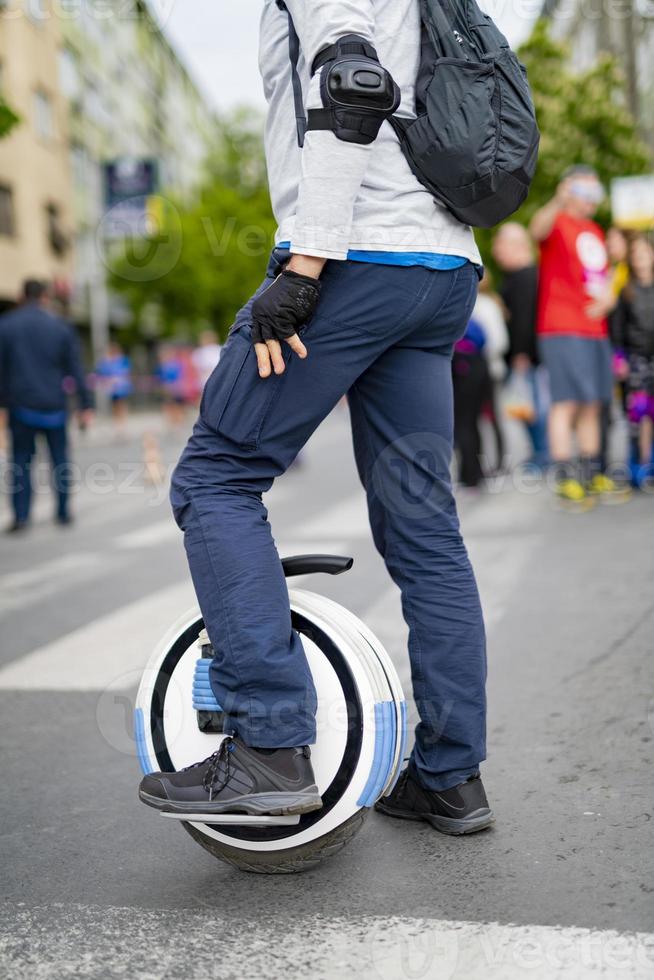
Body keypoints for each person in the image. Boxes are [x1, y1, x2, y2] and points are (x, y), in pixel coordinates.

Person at [138, 0, 493, 835]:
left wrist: (303, 267)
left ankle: (268, 744)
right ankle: (451, 776)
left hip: (354, 257)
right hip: (441, 266)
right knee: (424, 526)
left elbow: (353, 84)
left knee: (216, 476)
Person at [530, 166, 623, 507]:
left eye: (595, 193)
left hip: (593, 328)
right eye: (586, 192)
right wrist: (559, 197)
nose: (592, 200)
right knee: (566, 401)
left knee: (593, 402)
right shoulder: (557, 222)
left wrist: (609, 298)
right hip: (561, 325)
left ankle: (591, 470)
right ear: (571, 189)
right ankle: (566, 476)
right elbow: (536, 229)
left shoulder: (595, 230)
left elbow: (601, 277)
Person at [0, 279, 93, 531]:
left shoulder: (6, 325)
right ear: (45, 297)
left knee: (20, 461)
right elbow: (75, 367)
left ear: (22, 296)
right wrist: (86, 404)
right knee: (60, 460)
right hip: (54, 405)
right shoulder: (60, 326)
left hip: (21, 405)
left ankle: (21, 516)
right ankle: (63, 511)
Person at [492, 222, 549, 467]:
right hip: (521, 355)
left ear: (516, 246)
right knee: (524, 406)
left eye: (500, 244)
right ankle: (539, 452)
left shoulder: (526, 276)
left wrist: (521, 354)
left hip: (526, 356)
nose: (496, 250)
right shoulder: (518, 276)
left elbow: (525, 319)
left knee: (531, 406)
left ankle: (542, 454)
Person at [611, 235, 654, 486]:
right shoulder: (626, 290)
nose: (641, 260)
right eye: (636, 255)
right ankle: (637, 465)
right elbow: (617, 327)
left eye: (645, 253)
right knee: (637, 415)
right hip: (636, 360)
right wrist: (619, 358)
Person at [474, 272, 509, 473]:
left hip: (489, 368)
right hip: (477, 368)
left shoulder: (487, 306)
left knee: (492, 416)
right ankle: (484, 460)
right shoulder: (481, 304)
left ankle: (500, 459)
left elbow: (499, 340)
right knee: (479, 418)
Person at [453, 315, 491, 488]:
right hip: (478, 365)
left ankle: (469, 476)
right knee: (472, 422)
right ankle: (475, 472)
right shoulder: (468, 313)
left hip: (462, 367)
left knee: (463, 423)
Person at [96, 342, 132, 439]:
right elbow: (102, 372)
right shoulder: (107, 362)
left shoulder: (122, 360)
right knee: (115, 408)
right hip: (113, 390)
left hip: (121, 389)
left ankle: (122, 427)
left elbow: (126, 372)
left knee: (121, 407)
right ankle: (118, 427)